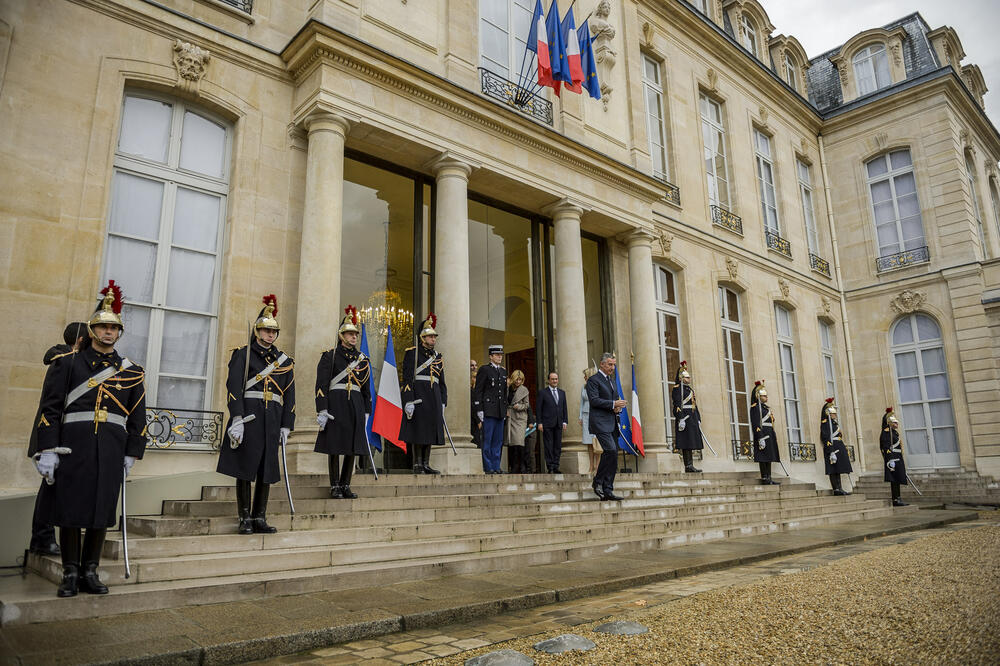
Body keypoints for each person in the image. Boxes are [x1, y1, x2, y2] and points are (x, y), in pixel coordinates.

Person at [32, 281, 147, 597]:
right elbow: (50, 408)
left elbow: (138, 415)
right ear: (92, 329)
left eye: (114, 328)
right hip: (73, 444)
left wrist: (133, 451)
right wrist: (47, 449)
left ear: (119, 333)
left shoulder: (131, 372)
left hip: (111, 446)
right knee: (69, 509)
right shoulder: (67, 363)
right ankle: (70, 571)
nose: (109, 332)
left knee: (101, 510)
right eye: (103, 327)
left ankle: (90, 571)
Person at [217, 296, 295, 533]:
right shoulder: (243, 354)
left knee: (266, 468)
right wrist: (237, 418)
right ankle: (244, 517)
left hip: (272, 418)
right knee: (245, 467)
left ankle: (260, 516)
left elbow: (290, 395)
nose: (270, 335)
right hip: (249, 417)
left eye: (273, 331)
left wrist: (287, 424)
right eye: (266, 330)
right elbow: (234, 387)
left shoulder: (284, 361)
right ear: (257, 331)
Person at [26, 322, 87, 557]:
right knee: (50, 490)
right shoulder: (65, 361)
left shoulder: (69, 359)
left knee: (54, 488)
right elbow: (53, 405)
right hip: (54, 436)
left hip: (61, 437)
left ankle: (43, 538)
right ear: (80, 340)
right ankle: (43, 538)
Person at [315, 306, 372, 499]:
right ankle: (335, 485)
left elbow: (366, 389)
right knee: (334, 446)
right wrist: (322, 409)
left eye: (355, 334)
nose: (354, 337)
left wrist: (367, 410)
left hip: (355, 404)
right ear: (341, 335)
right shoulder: (330, 356)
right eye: (350, 334)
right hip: (336, 403)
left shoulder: (362, 360)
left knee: (352, 447)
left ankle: (346, 484)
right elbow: (321, 385)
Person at [400, 314, 447, 474]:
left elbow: (441, 381)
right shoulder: (412, 353)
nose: (433, 339)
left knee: (431, 429)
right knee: (418, 430)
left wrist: (443, 400)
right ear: (422, 337)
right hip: (419, 395)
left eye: (434, 336)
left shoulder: (437, 357)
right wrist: (408, 400)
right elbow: (407, 379)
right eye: (430, 336)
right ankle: (417, 463)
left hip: (434, 396)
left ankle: (426, 463)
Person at [587, 353, 626, 501]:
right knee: (610, 450)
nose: (612, 367)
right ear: (602, 364)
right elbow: (594, 400)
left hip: (612, 422)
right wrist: (613, 404)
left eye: (614, 365)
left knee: (613, 454)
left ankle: (608, 489)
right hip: (599, 422)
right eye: (610, 364)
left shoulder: (612, 381)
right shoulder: (593, 380)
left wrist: (617, 408)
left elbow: (613, 401)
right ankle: (597, 481)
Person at [473, 344, 507, 474]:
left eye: (501, 355)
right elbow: (479, 390)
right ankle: (488, 467)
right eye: (497, 355)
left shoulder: (503, 371)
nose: (499, 357)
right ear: (491, 356)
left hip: (499, 410)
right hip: (488, 410)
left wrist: (504, 410)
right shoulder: (484, 369)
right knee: (487, 440)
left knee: (498, 441)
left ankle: (496, 466)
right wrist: (479, 409)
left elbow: (504, 393)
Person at [671, 361, 703, 473]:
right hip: (685, 417)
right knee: (686, 442)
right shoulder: (677, 389)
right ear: (681, 378)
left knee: (691, 442)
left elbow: (694, 404)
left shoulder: (689, 389)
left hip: (692, 417)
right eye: (687, 377)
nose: (689, 379)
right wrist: (680, 418)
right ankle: (688, 465)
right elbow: (677, 404)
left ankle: (691, 465)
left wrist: (698, 418)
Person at [750, 380, 780, 485]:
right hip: (762, 434)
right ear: (758, 396)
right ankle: (764, 477)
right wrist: (760, 437)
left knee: (769, 457)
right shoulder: (755, 407)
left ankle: (769, 477)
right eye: (764, 396)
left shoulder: (765, 408)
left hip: (769, 433)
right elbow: (756, 424)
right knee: (763, 457)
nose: (766, 397)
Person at [820, 398, 853, 496]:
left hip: (838, 446)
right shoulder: (826, 423)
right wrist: (831, 451)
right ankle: (836, 489)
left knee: (838, 469)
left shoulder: (834, 423)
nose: (835, 414)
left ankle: (840, 488)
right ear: (828, 413)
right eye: (833, 413)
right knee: (833, 469)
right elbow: (825, 437)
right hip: (832, 448)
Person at [537, 371, 568, 473]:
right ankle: (550, 467)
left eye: (556, 379)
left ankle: (556, 466)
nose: (554, 381)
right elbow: (539, 409)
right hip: (547, 423)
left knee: (557, 446)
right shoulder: (543, 393)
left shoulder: (562, 393)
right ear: (548, 380)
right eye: (552, 379)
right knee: (549, 446)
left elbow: (564, 408)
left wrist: (565, 421)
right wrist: (539, 422)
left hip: (559, 423)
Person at [880, 407, 909, 506]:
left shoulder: (894, 433)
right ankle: (895, 499)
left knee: (898, 478)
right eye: (895, 422)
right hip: (893, 458)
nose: (897, 424)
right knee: (894, 479)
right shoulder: (886, 432)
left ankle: (898, 498)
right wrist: (890, 459)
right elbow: (886, 447)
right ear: (890, 423)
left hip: (898, 457)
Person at [506, 370, 530, 474]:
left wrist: (518, 406)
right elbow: (504, 401)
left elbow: (527, 405)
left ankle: (522, 466)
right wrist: (506, 410)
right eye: (516, 379)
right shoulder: (508, 389)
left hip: (520, 418)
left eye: (520, 380)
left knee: (519, 442)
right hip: (510, 417)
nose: (518, 381)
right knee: (511, 443)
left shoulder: (524, 390)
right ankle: (513, 466)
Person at [580, 367, 598, 473]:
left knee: (596, 441)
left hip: (596, 416)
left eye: (585, 375)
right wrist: (580, 417)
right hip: (586, 416)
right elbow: (582, 403)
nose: (584, 377)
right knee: (588, 442)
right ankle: (591, 466)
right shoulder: (584, 387)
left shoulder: (597, 386)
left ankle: (597, 466)